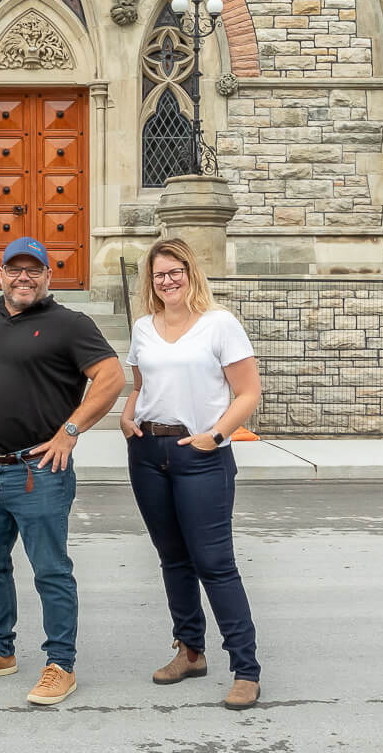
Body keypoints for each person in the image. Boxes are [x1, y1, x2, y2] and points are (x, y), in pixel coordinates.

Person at [0, 235, 124, 707]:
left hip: (38, 471)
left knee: (50, 571)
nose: (23, 277)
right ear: (0, 274)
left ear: (48, 275)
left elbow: (111, 377)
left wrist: (70, 430)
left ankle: (60, 665)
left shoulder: (69, 325)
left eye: (33, 270)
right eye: (14, 269)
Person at [118, 236, 263, 711]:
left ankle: (246, 669)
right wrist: (127, 417)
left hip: (200, 454)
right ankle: (190, 651)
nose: (167, 281)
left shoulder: (219, 324)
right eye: (159, 274)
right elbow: (141, 387)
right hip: (148, 453)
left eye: (175, 271)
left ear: (190, 273)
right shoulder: (143, 327)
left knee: (215, 563)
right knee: (172, 559)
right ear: (151, 281)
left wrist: (215, 436)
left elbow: (248, 392)